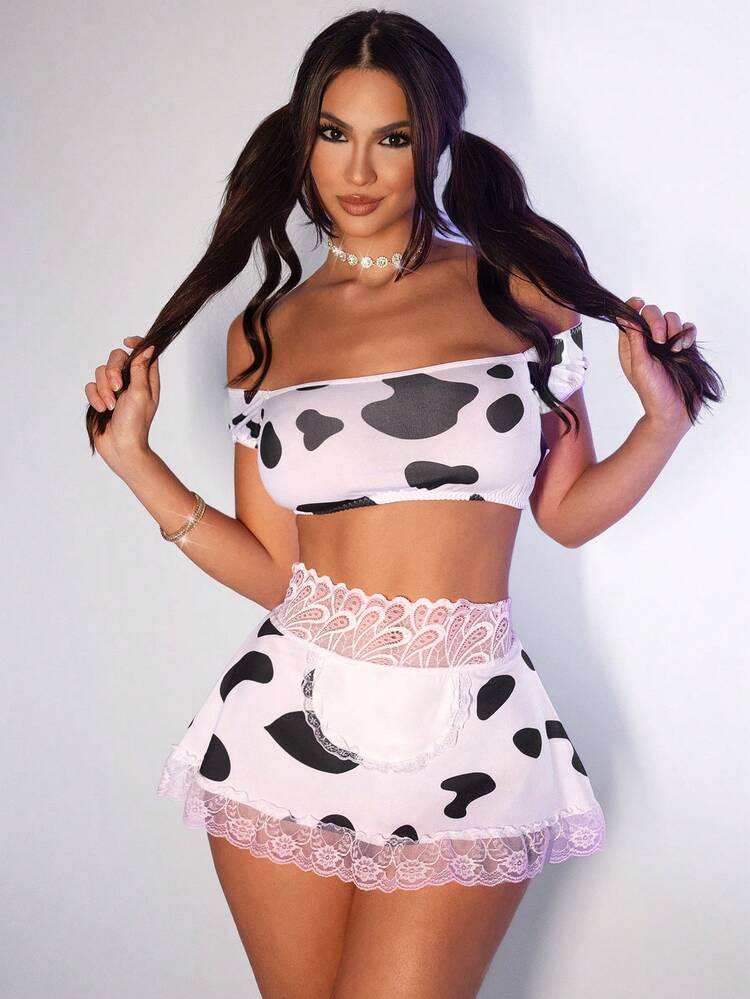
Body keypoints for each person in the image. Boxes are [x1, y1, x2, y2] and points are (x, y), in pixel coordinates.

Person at [83, 9, 723, 998]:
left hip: (475, 721)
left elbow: (564, 511)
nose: (359, 170)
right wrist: (135, 461)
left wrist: (662, 425)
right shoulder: (263, 332)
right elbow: (276, 570)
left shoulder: (518, 288)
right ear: (303, 137)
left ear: (434, 142)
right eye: (334, 133)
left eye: (393, 138)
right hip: (287, 718)